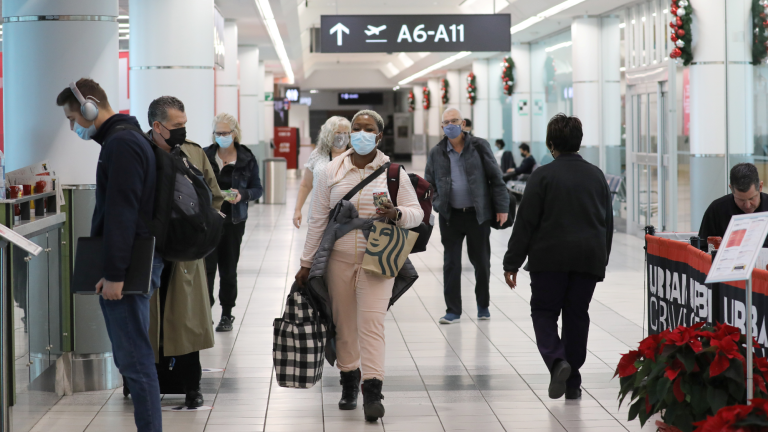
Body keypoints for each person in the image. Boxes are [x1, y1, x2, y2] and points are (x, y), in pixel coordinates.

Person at [295, 110, 423, 422]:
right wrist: (306, 263)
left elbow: (416, 212)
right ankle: (349, 379)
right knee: (344, 325)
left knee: (371, 323)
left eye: (368, 129)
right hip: (338, 259)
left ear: (379, 137)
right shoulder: (331, 171)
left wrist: (396, 214)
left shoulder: (392, 173)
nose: (360, 134)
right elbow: (317, 221)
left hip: (378, 258)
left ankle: (373, 390)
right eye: (356, 128)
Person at [57, 78, 164, 431]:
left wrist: (116, 273)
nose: (74, 127)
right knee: (133, 358)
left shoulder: (121, 144)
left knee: (135, 360)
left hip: (128, 269)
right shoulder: (127, 139)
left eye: (74, 118)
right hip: (131, 264)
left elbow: (122, 213)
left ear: (90, 107)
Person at [503, 114, 613, 401]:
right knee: (577, 316)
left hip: (549, 259)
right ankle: (573, 383)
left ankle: (556, 361)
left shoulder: (543, 175)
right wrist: (602, 260)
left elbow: (525, 222)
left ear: (552, 144)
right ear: (579, 142)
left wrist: (511, 262)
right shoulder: (597, 175)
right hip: (588, 259)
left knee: (544, 313)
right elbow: (607, 223)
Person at [146, 96, 223, 408]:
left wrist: (203, 231)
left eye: (184, 125)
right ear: (157, 126)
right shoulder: (140, 153)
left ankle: (192, 386)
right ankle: (144, 385)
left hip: (186, 254)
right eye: (177, 126)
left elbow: (214, 196)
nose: (182, 131)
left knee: (186, 322)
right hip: (150, 252)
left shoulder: (193, 152)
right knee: (148, 322)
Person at [425, 108, 509, 324]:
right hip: (450, 216)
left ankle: (483, 305)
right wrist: (437, 203)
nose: (450, 125)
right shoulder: (436, 152)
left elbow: (496, 179)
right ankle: (453, 310)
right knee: (451, 263)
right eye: (446, 122)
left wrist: (502, 207)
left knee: (481, 262)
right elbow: (428, 183)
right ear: (442, 127)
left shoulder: (480, 147)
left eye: (454, 121)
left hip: (477, 215)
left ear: (462, 124)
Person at [204, 113, 263, 331]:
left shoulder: (246, 157)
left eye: (225, 133)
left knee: (228, 269)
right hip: (209, 220)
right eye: (217, 133)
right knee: (207, 269)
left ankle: (227, 314)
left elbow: (258, 188)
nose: (221, 136)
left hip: (233, 221)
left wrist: (243, 195)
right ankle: (205, 313)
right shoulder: (205, 155)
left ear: (234, 133)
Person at [293, 116, 350, 228]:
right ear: (328, 134)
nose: (342, 136)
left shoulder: (354, 156)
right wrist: (297, 210)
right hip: (319, 215)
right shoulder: (318, 154)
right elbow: (306, 185)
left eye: (346, 133)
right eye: (338, 132)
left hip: (347, 217)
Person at [699, 163, 768, 246]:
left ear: (760, 187)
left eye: (752, 198)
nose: (747, 205)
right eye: (741, 200)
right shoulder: (716, 210)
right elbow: (702, 248)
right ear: (731, 189)